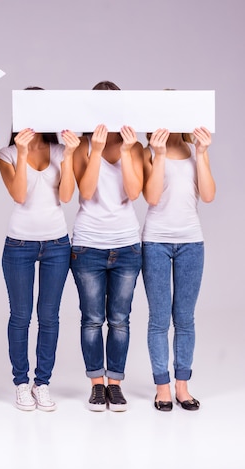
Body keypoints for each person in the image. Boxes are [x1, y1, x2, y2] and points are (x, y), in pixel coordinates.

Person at [0, 91, 79, 411]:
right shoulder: (5, 153)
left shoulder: (59, 150)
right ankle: (20, 382)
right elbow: (19, 195)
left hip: (57, 243)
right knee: (20, 316)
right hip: (19, 244)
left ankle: (42, 382)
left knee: (49, 317)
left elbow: (67, 195)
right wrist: (21, 150)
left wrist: (69, 156)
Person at [70, 81, 144, 412]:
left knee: (120, 319)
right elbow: (85, 193)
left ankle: (115, 384)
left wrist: (128, 152)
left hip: (126, 245)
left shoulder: (135, 145)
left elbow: (133, 191)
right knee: (91, 319)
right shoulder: (81, 145)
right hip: (88, 246)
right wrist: (96, 150)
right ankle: (96, 385)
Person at [142, 126, 215, 411]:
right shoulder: (148, 152)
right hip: (156, 242)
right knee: (159, 319)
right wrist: (158, 155)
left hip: (191, 242)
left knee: (185, 318)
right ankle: (162, 387)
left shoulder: (196, 152)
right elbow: (151, 196)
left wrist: (202, 152)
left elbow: (208, 196)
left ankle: (182, 386)